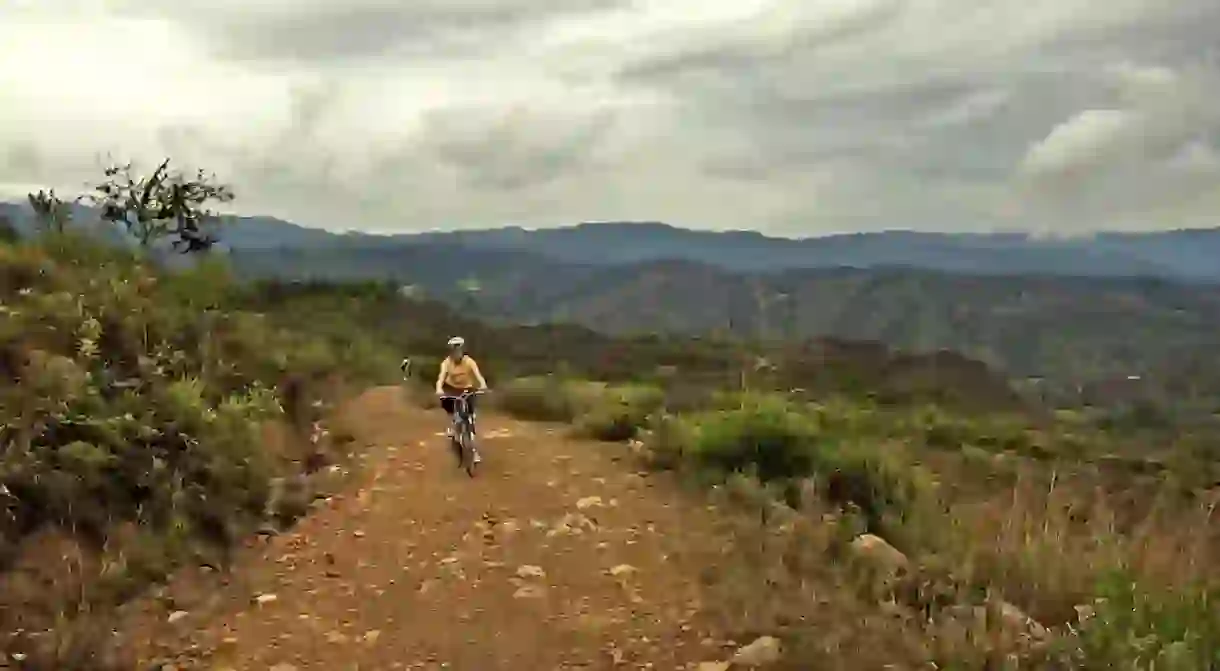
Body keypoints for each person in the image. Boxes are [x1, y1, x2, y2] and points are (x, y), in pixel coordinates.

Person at [434, 336, 489, 449]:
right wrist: (439, 388)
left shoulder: (469, 362)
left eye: (458, 350)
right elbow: (441, 377)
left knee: (470, 410)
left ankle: (472, 438)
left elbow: (478, 376)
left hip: (467, 389)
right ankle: (452, 427)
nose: (456, 353)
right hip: (452, 388)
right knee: (448, 406)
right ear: (451, 352)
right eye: (454, 350)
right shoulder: (446, 363)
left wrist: (483, 385)